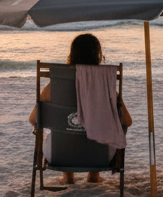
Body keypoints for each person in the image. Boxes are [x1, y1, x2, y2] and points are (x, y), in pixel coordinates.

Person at [29, 33, 131, 185]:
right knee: (102, 131)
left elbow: (33, 120)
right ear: (97, 55)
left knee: (65, 131)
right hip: (99, 157)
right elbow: (127, 121)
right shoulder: (106, 87)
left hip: (59, 154)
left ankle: (67, 177)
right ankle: (94, 176)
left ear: (72, 54)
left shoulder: (54, 87)